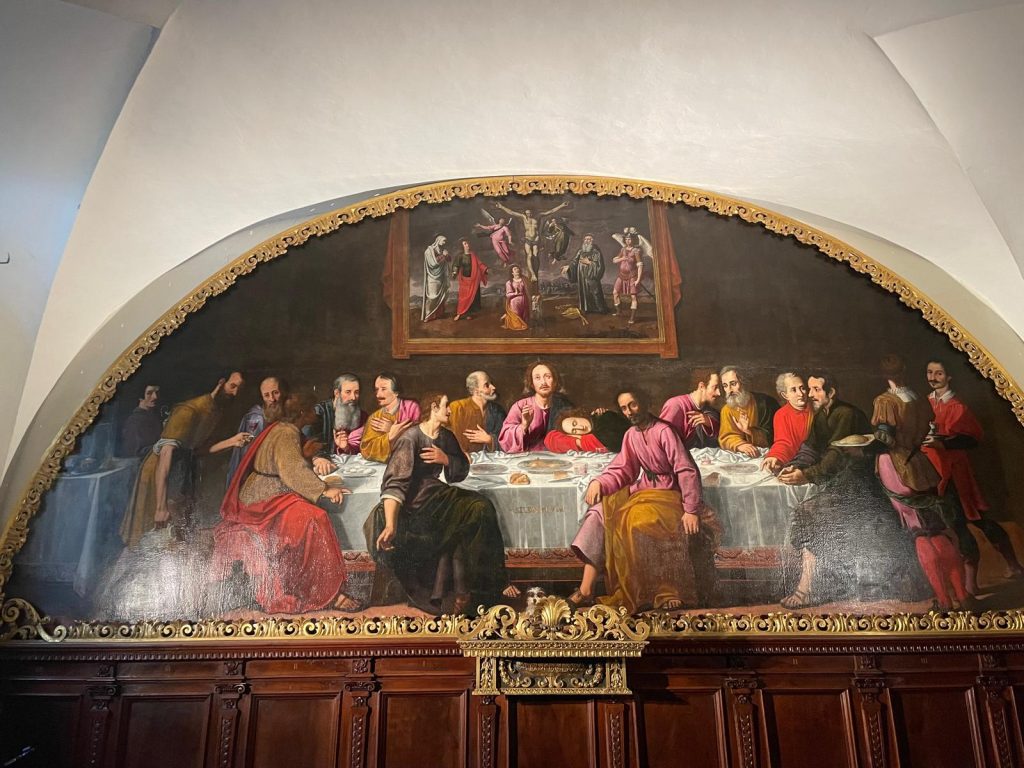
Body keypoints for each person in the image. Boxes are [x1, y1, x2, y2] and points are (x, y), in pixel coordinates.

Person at [778, 371, 928, 608]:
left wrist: (806, 475)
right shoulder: (821, 414)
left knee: (808, 512)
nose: (810, 394)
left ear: (831, 392)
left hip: (859, 486)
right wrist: (795, 465)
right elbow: (810, 447)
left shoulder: (846, 414)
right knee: (806, 511)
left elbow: (836, 456)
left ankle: (806, 588)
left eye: (816, 389)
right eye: (809, 388)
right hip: (839, 482)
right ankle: (811, 585)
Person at [365, 392, 520, 614]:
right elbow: (394, 484)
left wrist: (446, 459)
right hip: (415, 506)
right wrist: (390, 524)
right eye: (446, 406)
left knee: (482, 506)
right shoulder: (410, 438)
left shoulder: (446, 436)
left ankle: (492, 581)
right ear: (434, 408)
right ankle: (464, 589)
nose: (449, 411)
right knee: (473, 511)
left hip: (437, 495)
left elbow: (459, 472)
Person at [213, 391, 358, 613]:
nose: (314, 414)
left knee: (311, 516)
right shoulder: (286, 433)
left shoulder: (284, 429)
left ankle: (317, 587)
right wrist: (324, 490)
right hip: (265, 499)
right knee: (315, 518)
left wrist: (306, 455)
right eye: (310, 410)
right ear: (301, 413)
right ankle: (327, 593)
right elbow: (292, 471)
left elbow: (285, 461)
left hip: (267, 492)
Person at [580, 389, 719, 612]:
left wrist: (691, 510)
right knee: (605, 512)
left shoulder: (664, 431)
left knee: (638, 522)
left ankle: (666, 591)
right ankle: (633, 591)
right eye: (624, 408)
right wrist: (599, 482)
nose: (629, 412)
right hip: (645, 490)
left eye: (633, 405)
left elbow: (686, 470)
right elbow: (623, 469)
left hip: (671, 494)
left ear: (644, 403)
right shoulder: (631, 435)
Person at [870, 355, 971, 609]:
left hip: (897, 468)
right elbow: (926, 428)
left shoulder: (885, 401)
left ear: (884, 376)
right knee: (937, 530)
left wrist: (867, 445)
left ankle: (945, 601)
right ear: (904, 370)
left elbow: (885, 437)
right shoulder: (916, 397)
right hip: (921, 466)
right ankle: (962, 596)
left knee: (920, 534)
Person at [923, 358, 1024, 590]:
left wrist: (944, 444)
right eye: (930, 372)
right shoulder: (926, 403)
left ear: (949, 377)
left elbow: (972, 438)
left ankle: (1005, 568)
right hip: (933, 470)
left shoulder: (958, 407)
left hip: (956, 472)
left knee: (973, 520)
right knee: (953, 522)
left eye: (939, 373)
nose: (933, 378)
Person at [120, 372, 249, 547]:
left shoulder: (214, 411)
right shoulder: (188, 410)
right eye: (232, 386)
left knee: (179, 535)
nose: (235, 393)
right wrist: (160, 507)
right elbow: (165, 455)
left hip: (181, 473)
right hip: (160, 476)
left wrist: (232, 441)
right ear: (221, 383)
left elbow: (197, 450)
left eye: (239, 389)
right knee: (154, 536)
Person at [499, 360, 573, 453]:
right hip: (527, 458)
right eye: (537, 378)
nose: (543, 382)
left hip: (558, 457)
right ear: (532, 383)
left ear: (555, 381)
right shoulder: (520, 406)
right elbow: (505, 439)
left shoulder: (565, 406)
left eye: (548, 377)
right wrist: (524, 425)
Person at [226, 376, 287, 486]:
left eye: (276, 393)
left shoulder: (286, 413)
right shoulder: (255, 419)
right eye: (266, 395)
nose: (272, 399)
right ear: (262, 397)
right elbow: (248, 455)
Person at [308, 373, 368, 475]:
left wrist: (346, 448)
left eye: (356, 392)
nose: (353, 397)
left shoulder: (362, 416)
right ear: (337, 393)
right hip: (322, 466)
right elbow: (307, 443)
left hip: (350, 469)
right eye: (348, 392)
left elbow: (362, 449)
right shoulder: (318, 412)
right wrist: (318, 458)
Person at [495, 200, 569, 281]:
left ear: (532, 213)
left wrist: (562, 205)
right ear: (525, 213)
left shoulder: (538, 216)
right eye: (527, 213)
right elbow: (511, 212)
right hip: (527, 239)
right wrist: (501, 207)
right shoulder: (523, 217)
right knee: (529, 255)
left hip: (536, 239)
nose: (529, 215)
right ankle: (533, 274)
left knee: (535, 255)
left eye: (530, 213)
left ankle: (535, 272)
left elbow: (550, 211)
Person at [360, 372, 421, 463]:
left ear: (396, 392)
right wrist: (389, 437)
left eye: (383, 389)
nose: (378, 395)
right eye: (376, 390)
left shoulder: (412, 407)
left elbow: (421, 438)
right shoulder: (374, 417)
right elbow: (366, 450)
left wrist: (394, 430)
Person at [718, 366, 778, 457]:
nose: (729, 390)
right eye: (725, 386)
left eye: (733, 384)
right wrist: (740, 445)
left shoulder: (765, 403)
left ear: (743, 383)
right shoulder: (726, 410)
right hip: (740, 455)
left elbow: (775, 435)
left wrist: (748, 430)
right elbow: (726, 437)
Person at [761, 373, 814, 473]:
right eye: (794, 390)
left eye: (802, 388)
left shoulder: (816, 410)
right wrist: (775, 456)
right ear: (785, 395)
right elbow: (783, 442)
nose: (800, 394)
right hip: (793, 461)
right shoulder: (781, 415)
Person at [659, 370, 722, 450]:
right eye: (715, 387)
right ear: (701, 386)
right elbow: (663, 438)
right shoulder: (675, 405)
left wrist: (709, 423)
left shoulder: (711, 412)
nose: (719, 393)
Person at [447, 370, 507, 455]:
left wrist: (490, 440)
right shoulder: (457, 407)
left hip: (491, 459)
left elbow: (507, 438)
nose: (493, 387)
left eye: (491, 383)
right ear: (476, 391)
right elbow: (441, 434)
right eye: (487, 385)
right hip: (462, 458)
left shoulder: (498, 410)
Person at [561, 234, 608, 315]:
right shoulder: (580, 251)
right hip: (582, 276)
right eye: (585, 239)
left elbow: (600, 265)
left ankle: (600, 309)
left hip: (592, 276)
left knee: (595, 292)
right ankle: (587, 308)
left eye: (589, 239)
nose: (587, 241)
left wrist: (589, 263)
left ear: (592, 241)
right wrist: (568, 266)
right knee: (584, 292)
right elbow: (575, 261)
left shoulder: (596, 252)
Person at [118, 383, 162, 458]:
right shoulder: (134, 421)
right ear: (140, 397)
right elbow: (134, 453)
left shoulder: (155, 417)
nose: (155, 397)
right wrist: (161, 446)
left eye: (157, 393)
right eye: (149, 393)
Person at [451, 238, 488, 321]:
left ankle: (468, 313)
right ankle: (459, 313)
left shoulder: (473, 255)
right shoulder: (460, 256)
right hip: (464, 280)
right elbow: (456, 265)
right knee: (463, 297)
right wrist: (454, 272)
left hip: (473, 280)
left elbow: (479, 264)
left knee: (472, 298)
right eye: (465, 244)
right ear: (462, 246)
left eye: (467, 243)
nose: (467, 245)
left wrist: (486, 269)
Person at [611, 232, 643, 324]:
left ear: (633, 240)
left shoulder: (636, 251)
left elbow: (640, 266)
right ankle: (619, 311)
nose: (628, 241)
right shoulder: (623, 249)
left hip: (632, 276)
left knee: (633, 296)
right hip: (621, 275)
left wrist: (638, 279)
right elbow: (614, 260)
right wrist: (622, 258)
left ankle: (632, 318)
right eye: (626, 239)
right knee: (615, 293)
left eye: (629, 239)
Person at [421, 235, 450, 322]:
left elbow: (449, 260)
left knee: (441, 295)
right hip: (432, 277)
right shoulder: (429, 251)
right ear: (438, 240)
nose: (445, 243)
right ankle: (428, 315)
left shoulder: (442, 250)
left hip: (441, 276)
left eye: (445, 241)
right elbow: (433, 264)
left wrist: (447, 255)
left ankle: (438, 314)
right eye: (443, 241)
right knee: (432, 297)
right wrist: (443, 256)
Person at [500, 264, 530, 330]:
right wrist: (515, 293)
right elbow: (508, 294)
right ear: (512, 273)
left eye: (517, 268)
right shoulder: (509, 282)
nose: (517, 270)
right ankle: (507, 317)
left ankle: (508, 316)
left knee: (524, 319)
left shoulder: (524, 280)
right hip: (514, 303)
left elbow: (528, 290)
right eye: (515, 269)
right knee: (518, 324)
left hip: (524, 301)